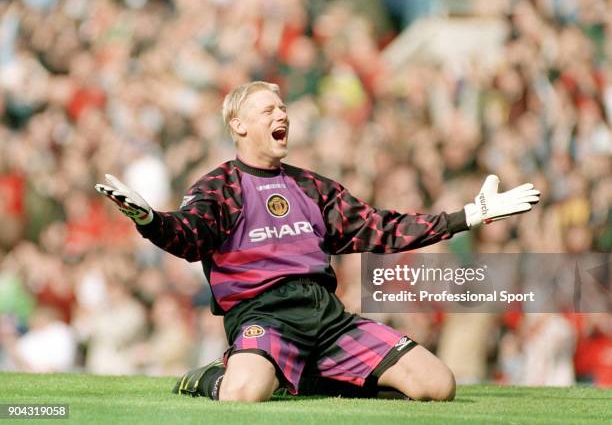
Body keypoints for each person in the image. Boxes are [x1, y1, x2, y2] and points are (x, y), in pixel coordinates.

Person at [95, 81, 540, 402]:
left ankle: (303, 375)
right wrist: (149, 219)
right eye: (268, 110)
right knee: (242, 395)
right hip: (263, 315)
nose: (281, 115)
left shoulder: (312, 187)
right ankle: (212, 375)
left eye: (283, 108)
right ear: (239, 124)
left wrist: (469, 215)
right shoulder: (219, 186)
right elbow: (187, 237)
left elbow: (382, 228)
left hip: (326, 316)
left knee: (437, 385)